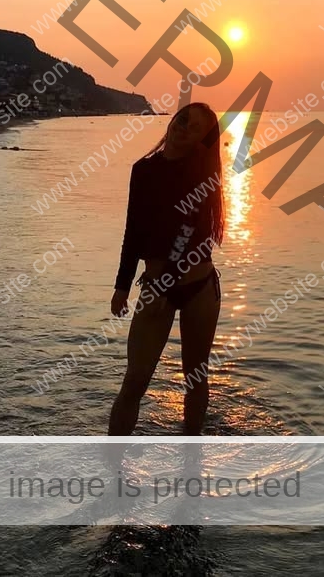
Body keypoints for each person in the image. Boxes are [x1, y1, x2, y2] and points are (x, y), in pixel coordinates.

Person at [108, 102, 225, 436]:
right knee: (135, 381)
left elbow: (193, 230)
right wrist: (122, 285)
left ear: (203, 139)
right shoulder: (143, 170)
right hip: (155, 286)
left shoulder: (203, 174)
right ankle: (112, 470)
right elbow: (133, 231)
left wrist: (166, 279)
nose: (183, 127)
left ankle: (192, 456)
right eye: (183, 119)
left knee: (195, 376)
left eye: (195, 127)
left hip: (199, 287)